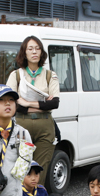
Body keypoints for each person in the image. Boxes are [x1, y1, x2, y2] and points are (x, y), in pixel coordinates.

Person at [6, 36, 60, 185]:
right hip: (22, 123)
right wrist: (41, 103)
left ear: (42, 52)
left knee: (40, 169)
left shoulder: (50, 75)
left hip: (45, 125)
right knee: (21, 166)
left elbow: (54, 103)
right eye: (30, 49)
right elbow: (11, 103)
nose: (34, 52)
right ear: (24, 52)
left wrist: (26, 103)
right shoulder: (16, 75)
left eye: (37, 48)